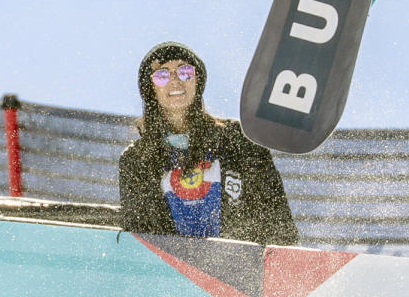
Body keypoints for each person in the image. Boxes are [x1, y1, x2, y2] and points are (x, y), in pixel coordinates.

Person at [118, 41, 298, 245]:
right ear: (150, 89)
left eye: (185, 71)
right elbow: (140, 238)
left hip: (242, 267)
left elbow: (279, 221)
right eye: (162, 75)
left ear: (197, 81)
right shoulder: (137, 159)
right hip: (171, 270)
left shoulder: (239, 139)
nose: (175, 80)